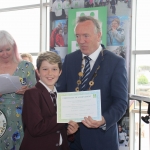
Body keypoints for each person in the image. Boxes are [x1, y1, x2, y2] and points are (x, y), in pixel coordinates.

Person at [57, 16, 128, 150]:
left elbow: (121, 102)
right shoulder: (70, 59)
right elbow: (61, 93)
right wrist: (66, 123)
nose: (81, 41)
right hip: (73, 140)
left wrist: (103, 120)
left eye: (86, 36)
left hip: (101, 140)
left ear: (99, 35)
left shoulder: (116, 62)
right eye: (77, 36)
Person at [20, 51, 79, 150]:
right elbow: (36, 128)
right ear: (38, 71)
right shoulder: (32, 93)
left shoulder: (61, 96)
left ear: (60, 72)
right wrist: (64, 116)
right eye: (45, 69)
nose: (50, 73)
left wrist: (69, 132)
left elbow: (56, 129)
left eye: (54, 69)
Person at [0, 30, 36, 150]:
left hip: (21, 116)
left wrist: (27, 92)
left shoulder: (26, 66)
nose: (4, 54)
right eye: (0, 50)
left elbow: (36, 93)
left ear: (14, 47)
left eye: (7, 49)